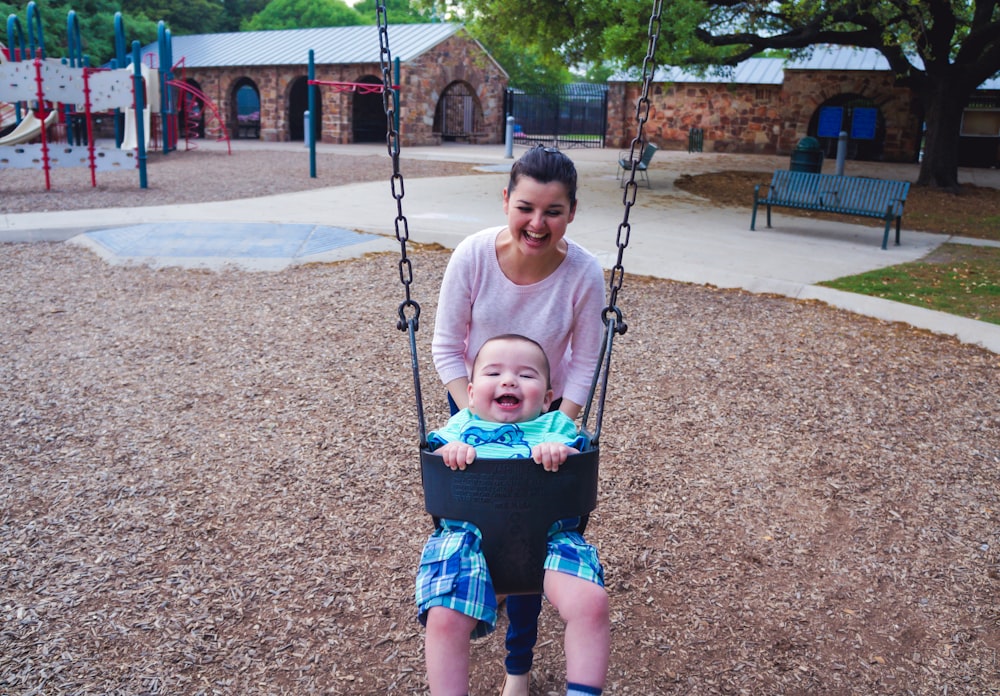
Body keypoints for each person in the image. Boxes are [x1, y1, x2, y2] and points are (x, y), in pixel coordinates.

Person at [431, 144, 606, 695]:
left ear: (571, 213)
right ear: (506, 200)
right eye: (526, 207)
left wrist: (560, 429)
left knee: (534, 544)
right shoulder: (474, 255)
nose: (538, 223)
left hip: (545, 414)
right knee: (481, 539)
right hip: (475, 408)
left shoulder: (583, 273)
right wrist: (474, 419)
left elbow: (584, 361)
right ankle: (472, 614)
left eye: (553, 211)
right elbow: (445, 345)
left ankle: (517, 671)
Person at [417, 335, 610, 696]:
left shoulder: (555, 427)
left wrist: (561, 451)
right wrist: (451, 450)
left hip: (550, 537)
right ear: (471, 393)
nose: (509, 381)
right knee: (442, 615)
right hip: (466, 540)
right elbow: (436, 447)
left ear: (549, 397)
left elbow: (580, 449)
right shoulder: (460, 426)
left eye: (526, 375)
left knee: (591, 602)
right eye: (494, 372)